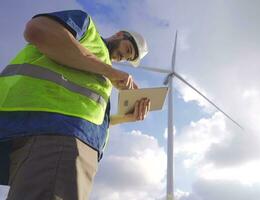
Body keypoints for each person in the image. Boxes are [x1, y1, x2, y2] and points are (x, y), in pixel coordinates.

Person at [0, 9, 151, 199]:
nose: (123, 57)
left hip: (44, 135)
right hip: (56, 135)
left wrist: (125, 118)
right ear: (119, 35)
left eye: (128, 59)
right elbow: (37, 29)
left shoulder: (103, 70)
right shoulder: (88, 31)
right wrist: (109, 72)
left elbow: (84, 116)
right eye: (127, 50)